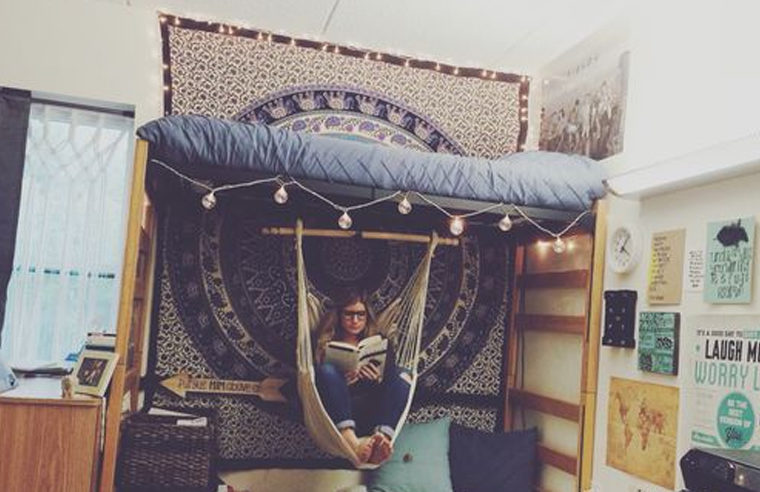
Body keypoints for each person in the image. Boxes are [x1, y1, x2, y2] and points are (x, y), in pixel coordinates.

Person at [314, 287, 411, 465]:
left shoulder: (380, 343)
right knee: (326, 371)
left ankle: (381, 440)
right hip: (338, 412)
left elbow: (391, 383)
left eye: (361, 314)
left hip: (373, 410)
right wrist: (341, 381)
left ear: (367, 316)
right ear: (339, 315)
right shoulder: (325, 344)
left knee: (404, 375)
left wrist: (377, 380)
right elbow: (312, 386)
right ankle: (350, 440)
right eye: (349, 314)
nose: (355, 320)